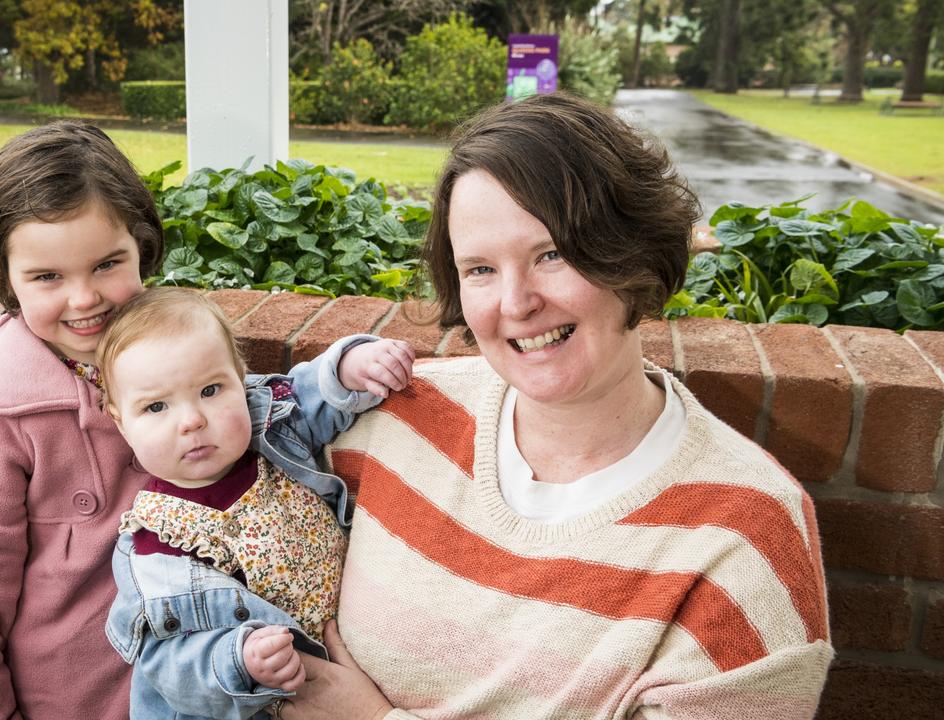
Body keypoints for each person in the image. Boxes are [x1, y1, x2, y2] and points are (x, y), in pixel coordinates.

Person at [281, 93, 834, 720]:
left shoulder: (746, 534)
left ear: (633, 253)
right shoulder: (391, 417)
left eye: (552, 254)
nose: (515, 304)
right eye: (481, 268)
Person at [0, 121, 165, 719]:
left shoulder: (186, 355)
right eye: (47, 277)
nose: (84, 299)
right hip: (72, 700)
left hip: (202, 683)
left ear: (142, 245)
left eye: (108, 264)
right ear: (3, 270)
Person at [99, 287, 415, 720]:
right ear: (121, 421)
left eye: (211, 389)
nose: (191, 420)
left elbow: (312, 393)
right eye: (156, 406)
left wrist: (350, 366)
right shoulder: (154, 547)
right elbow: (168, 665)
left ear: (240, 377)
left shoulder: (271, 436)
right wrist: (238, 657)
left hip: (336, 671)